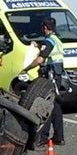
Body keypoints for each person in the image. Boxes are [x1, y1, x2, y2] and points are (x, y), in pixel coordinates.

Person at [20, 17, 64, 147]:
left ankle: (43, 137)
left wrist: (27, 68)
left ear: (45, 27)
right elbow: (49, 50)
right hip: (57, 74)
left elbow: (40, 59)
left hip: (50, 76)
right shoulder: (57, 40)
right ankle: (58, 137)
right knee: (55, 106)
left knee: (47, 105)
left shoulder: (49, 41)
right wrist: (38, 45)